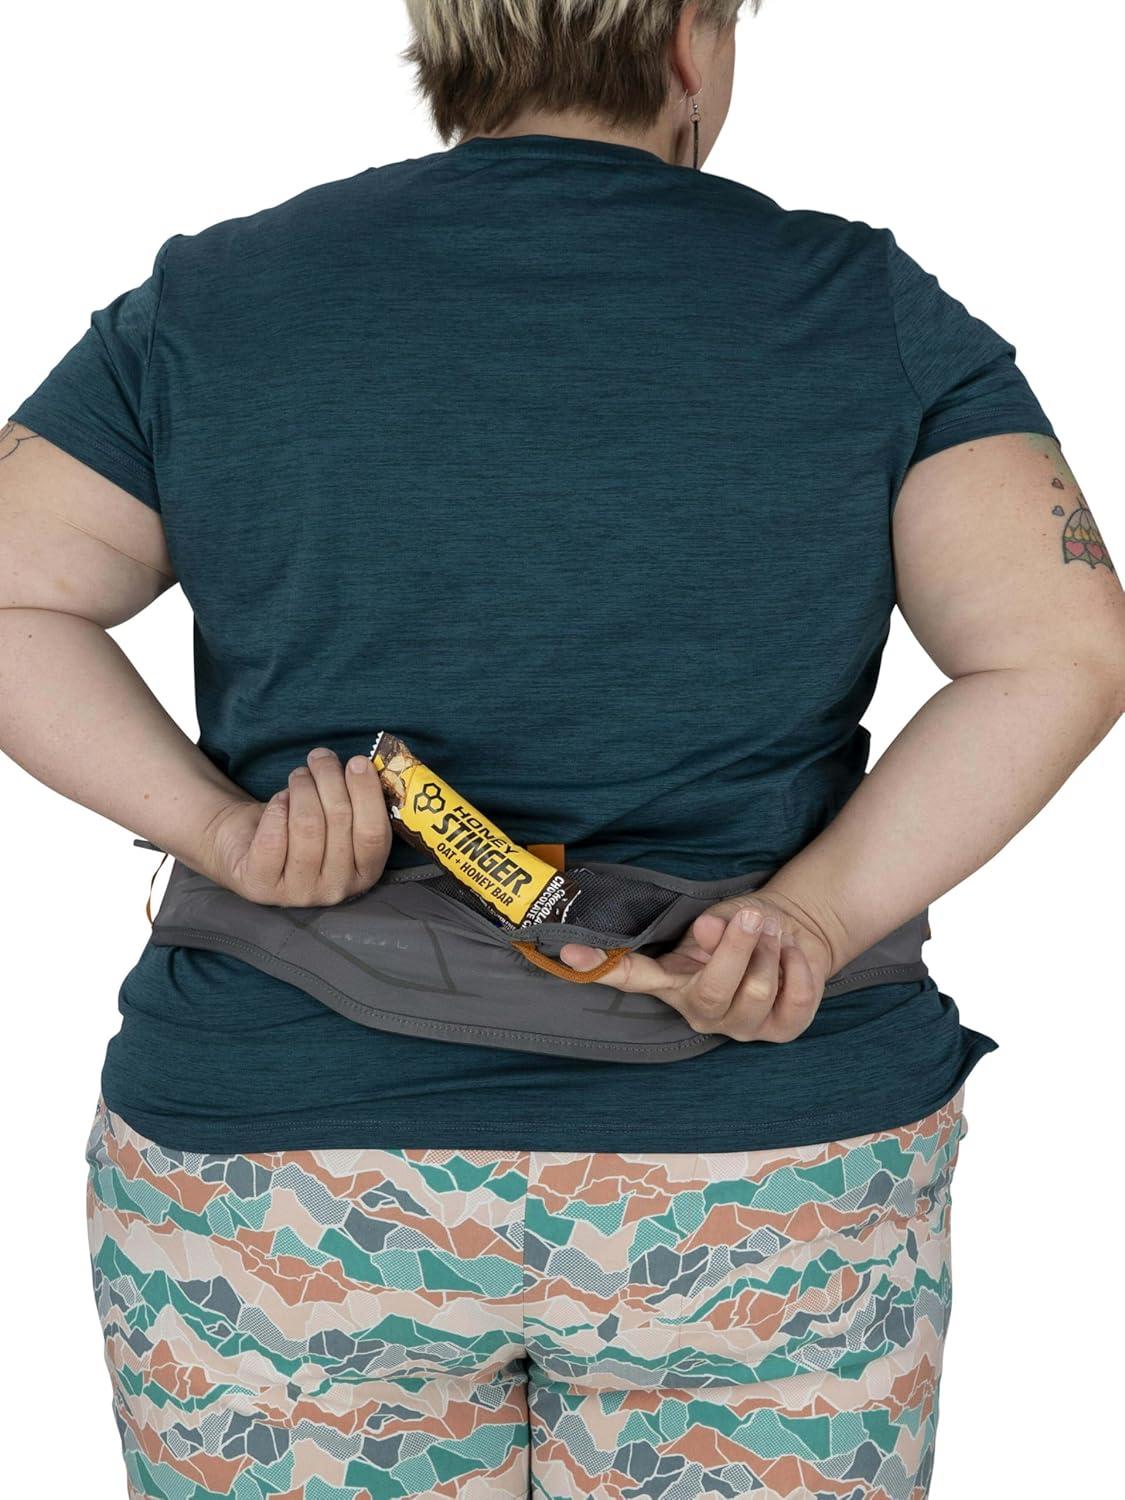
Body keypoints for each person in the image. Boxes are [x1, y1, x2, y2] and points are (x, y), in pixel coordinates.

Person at [2, 1, 1122, 1495]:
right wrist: (809, 917)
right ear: (688, 43)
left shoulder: (215, 299)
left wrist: (223, 834)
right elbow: (1059, 651)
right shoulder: (861, 306)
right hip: (755, 1162)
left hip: (286, 1165)